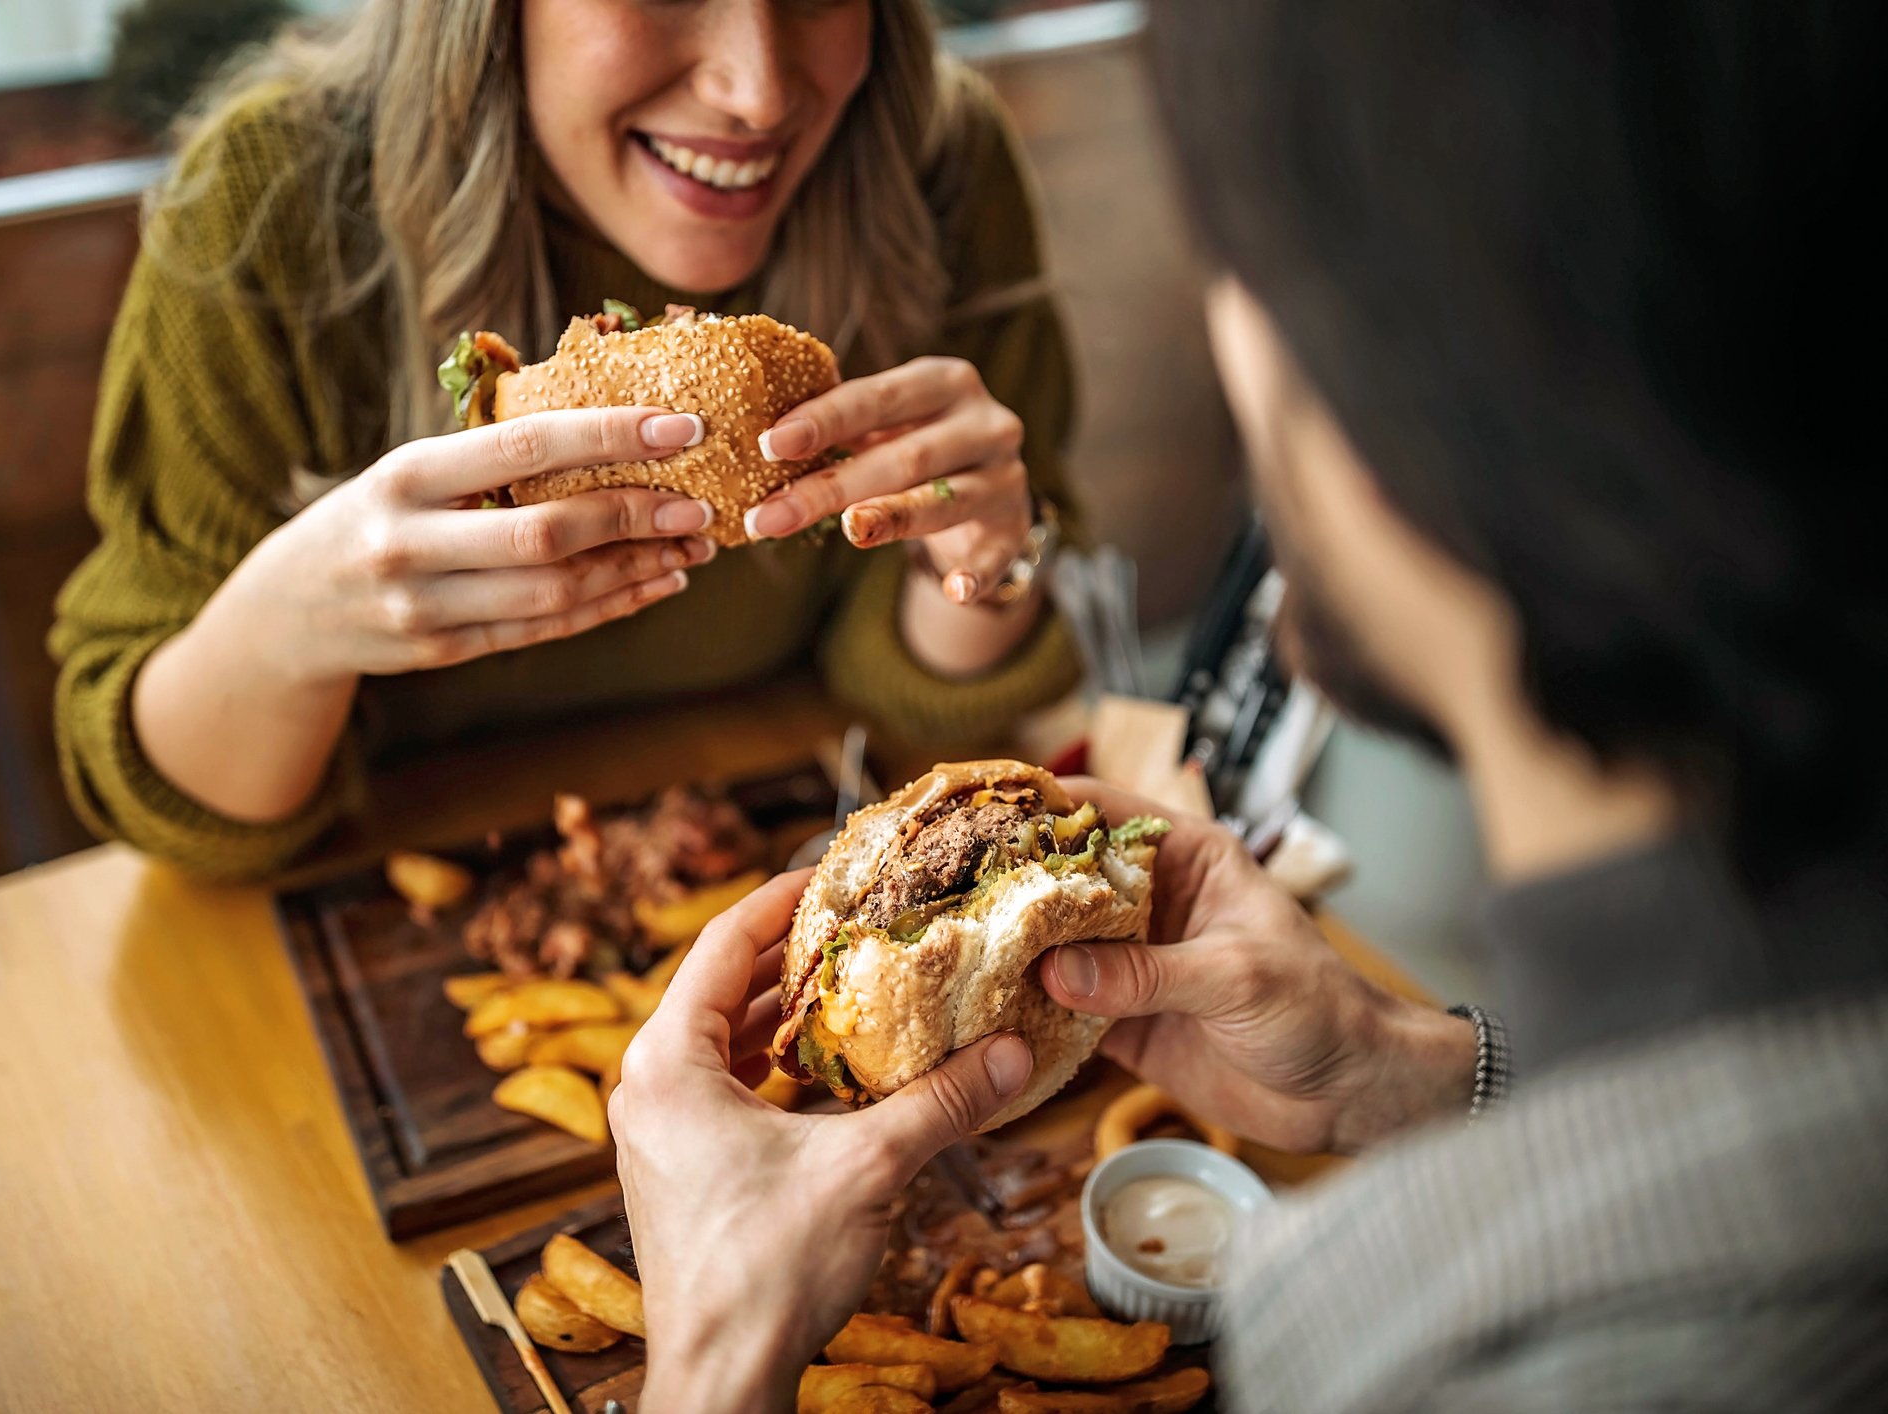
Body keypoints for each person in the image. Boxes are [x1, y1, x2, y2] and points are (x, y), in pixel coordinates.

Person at [611, 3, 1887, 1409]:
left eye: (1248, 273)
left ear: (1415, 388)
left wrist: (712, 1358)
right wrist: (1414, 1074)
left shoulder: (1424, 1360)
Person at [50, 0, 1082, 877]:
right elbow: (181, 815)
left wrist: (983, 558)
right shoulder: (263, 207)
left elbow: (922, 717)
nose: (758, 91)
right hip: (379, 906)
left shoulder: (932, 161)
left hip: (775, 874)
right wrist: (288, 633)